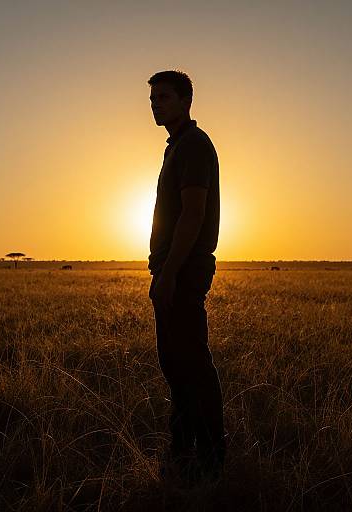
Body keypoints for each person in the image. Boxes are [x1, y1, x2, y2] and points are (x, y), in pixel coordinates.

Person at [147, 70, 226, 485]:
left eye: (164, 96)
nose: (155, 104)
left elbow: (193, 213)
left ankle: (210, 460)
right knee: (176, 366)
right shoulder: (176, 146)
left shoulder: (194, 145)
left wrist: (169, 273)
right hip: (173, 268)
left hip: (183, 269)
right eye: (153, 98)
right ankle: (184, 451)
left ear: (186, 100)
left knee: (191, 364)